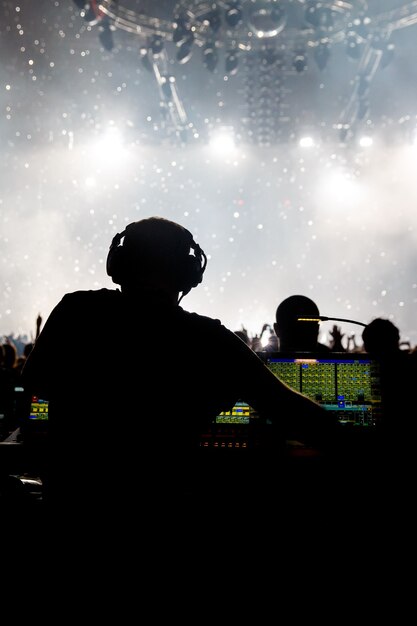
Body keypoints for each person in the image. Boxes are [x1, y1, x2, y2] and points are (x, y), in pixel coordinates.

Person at [22, 217, 339, 513]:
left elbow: (36, 381)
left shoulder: (75, 312)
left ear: (118, 266)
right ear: (189, 274)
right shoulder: (207, 340)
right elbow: (290, 410)